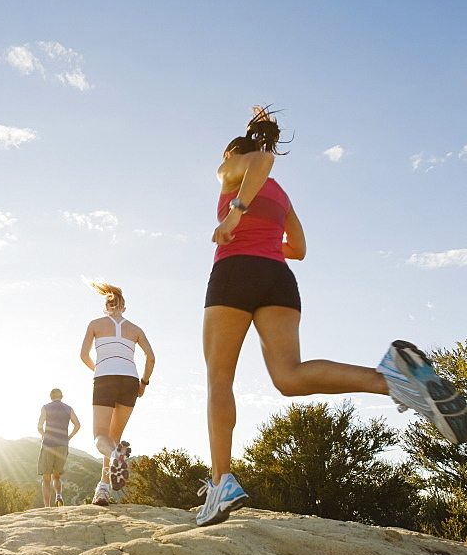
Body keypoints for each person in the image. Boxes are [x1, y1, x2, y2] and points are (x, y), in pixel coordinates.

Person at [199, 106, 467, 528]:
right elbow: (299, 248)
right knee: (289, 375)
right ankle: (393, 380)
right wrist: (266, 240)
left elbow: (263, 159)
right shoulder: (282, 195)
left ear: (234, 152)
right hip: (278, 280)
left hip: (235, 271)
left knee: (219, 378)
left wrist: (235, 212)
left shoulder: (232, 165)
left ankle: (221, 482)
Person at [80, 281, 155, 506]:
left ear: (107, 305)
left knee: (101, 437)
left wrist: (100, 369)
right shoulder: (136, 329)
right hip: (130, 379)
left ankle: (114, 459)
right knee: (114, 438)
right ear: (124, 307)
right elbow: (151, 358)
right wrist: (143, 383)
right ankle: (102, 490)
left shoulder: (95, 324)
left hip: (105, 377)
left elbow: (83, 355)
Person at [37, 388, 80, 507]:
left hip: (48, 445)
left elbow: (39, 427)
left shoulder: (45, 407)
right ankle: (59, 495)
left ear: (51, 396)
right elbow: (77, 425)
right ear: (61, 396)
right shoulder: (68, 408)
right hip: (62, 445)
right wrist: (68, 438)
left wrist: (46, 435)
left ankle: (47, 506)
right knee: (56, 476)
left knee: (46, 478)